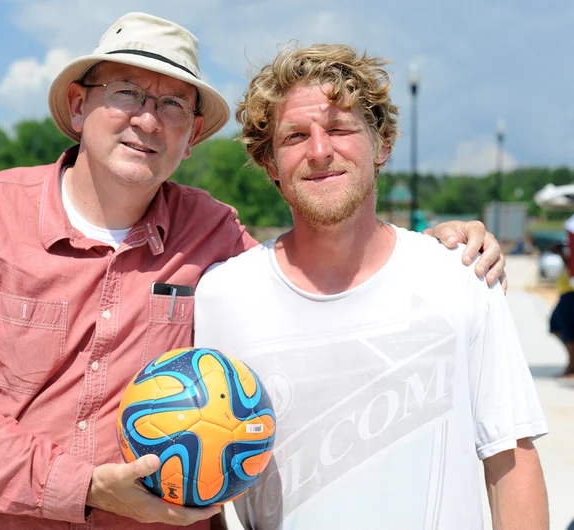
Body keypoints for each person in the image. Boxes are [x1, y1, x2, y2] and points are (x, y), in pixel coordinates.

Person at [0, 13, 505, 530]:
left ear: (192, 137)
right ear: (79, 106)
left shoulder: (215, 235)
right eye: (126, 93)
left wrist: (439, 245)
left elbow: (318, 266)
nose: (147, 119)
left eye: (172, 104)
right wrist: (84, 487)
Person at [194, 44, 548, 529]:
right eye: (295, 135)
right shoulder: (222, 297)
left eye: (339, 129)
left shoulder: (461, 276)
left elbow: (511, 458)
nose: (320, 151)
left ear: (381, 144)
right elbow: (205, 484)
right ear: (270, 164)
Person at [549, 238, 574, 376]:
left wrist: (564, 255)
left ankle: (572, 366)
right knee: (555, 326)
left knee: (569, 332)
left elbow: (571, 268)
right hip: (565, 292)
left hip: (571, 293)